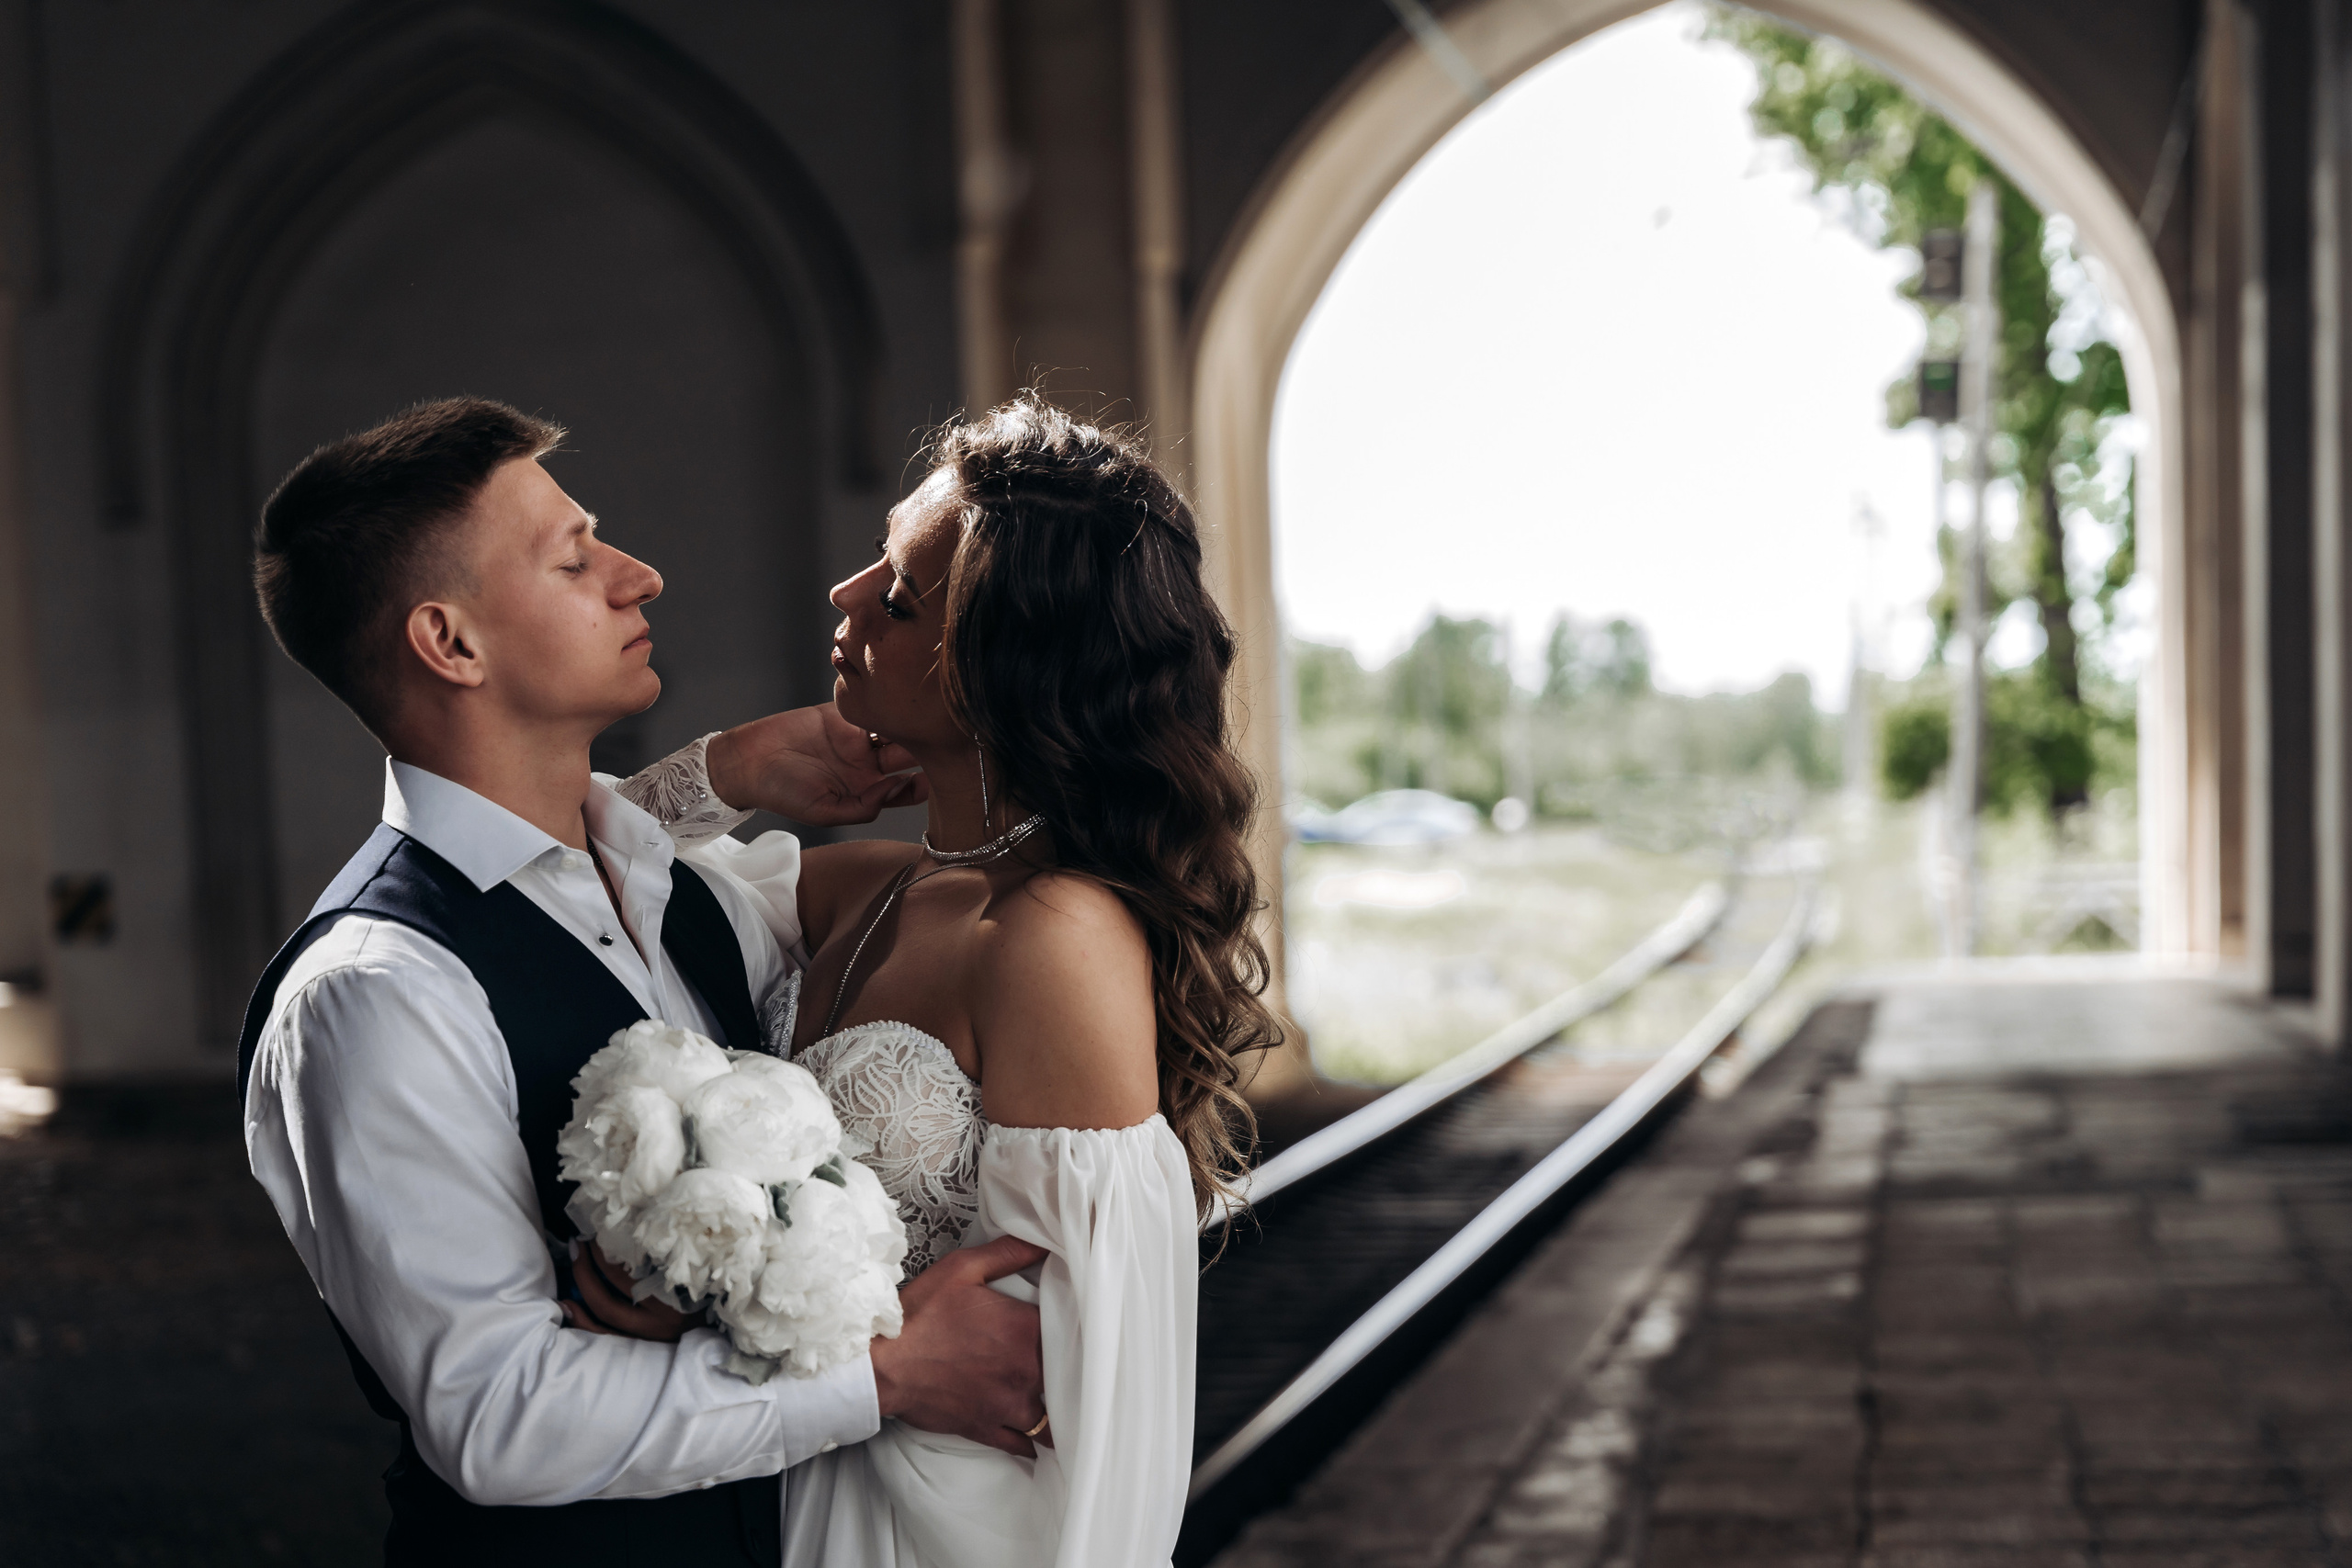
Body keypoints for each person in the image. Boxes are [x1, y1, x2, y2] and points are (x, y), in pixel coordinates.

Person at [239, 397, 1050, 1568]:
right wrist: (885, 1373)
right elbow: (497, 1414)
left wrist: (723, 771)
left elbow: (920, 901)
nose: (640, 577)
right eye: (575, 561)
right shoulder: (374, 995)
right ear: (450, 644)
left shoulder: (678, 893)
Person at [604, 395, 1282, 1567]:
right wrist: (733, 767)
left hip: (940, 1524)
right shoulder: (859, 888)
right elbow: (573, 894)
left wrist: (719, 1339)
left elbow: (1082, 1390)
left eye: (901, 597)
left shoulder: (1055, 936)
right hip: (783, 1486)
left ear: (1001, 665)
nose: (845, 594)